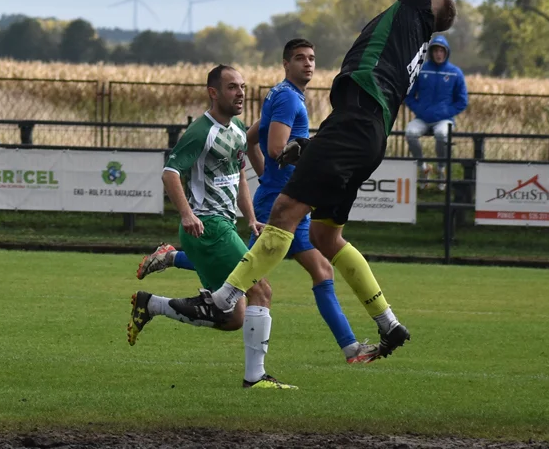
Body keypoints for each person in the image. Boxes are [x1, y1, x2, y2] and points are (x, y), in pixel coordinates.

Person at [164, 0, 457, 361]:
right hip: (365, 136)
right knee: (324, 234)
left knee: (282, 211)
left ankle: (226, 295)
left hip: (354, 126)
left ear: (432, 8)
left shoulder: (414, 10)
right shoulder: (411, 40)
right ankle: (388, 323)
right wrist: (313, 146)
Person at [136, 39, 381, 364]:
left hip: (277, 202)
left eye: (311, 58)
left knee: (248, 280)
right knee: (273, 282)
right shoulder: (284, 99)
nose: (308, 64)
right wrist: (314, 166)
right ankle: (336, 353)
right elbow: (277, 148)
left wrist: (260, 186)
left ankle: (170, 265)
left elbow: (247, 144)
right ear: (285, 64)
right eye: (300, 58)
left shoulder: (269, 107)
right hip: (279, 205)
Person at [127, 65, 297, 390]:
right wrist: (187, 214)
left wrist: (250, 216)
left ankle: (151, 304)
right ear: (213, 92)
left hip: (220, 228)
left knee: (232, 318)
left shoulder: (236, 130)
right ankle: (255, 378)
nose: (241, 93)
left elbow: (239, 177)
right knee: (261, 290)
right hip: (208, 227)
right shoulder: (200, 131)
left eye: (243, 87)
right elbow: (170, 173)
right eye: (232, 87)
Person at [404, 34, 467, 184]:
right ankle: (423, 167)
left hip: (444, 120)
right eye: (435, 51)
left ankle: (441, 169)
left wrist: (446, 112)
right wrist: (419, 110)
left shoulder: (455, 73)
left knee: (441, 134)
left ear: (446, 52)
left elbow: (462, 101)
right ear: (431, 52)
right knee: (410, 132)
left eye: (441, 51)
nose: (438, 54)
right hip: (422, 118)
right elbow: (409, 95)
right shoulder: (421, 70)